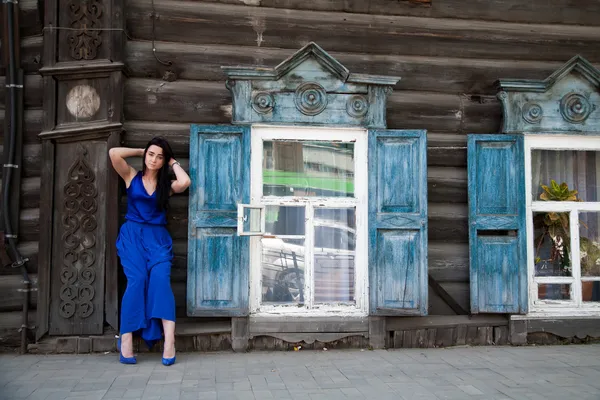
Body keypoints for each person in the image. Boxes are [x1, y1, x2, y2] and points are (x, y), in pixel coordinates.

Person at [109, 137, 191, 366]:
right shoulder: (131, 177)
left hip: (157, 240)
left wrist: (173, 162)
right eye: (151, 154)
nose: (154, 159)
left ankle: (169, 342)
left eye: (160, 156)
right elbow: (114, 153)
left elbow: (185, 181)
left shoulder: (167, 187)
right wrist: (141, 150)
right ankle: (125, 340)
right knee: (136, 281)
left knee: (160, 282)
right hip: (132, 237)